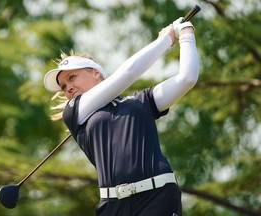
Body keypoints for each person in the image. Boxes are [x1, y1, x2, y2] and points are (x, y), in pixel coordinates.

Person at [43, 17, 199, 216]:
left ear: (95, 73)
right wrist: (166, 39)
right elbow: (127, 73)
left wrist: (185, 33)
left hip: (158, 198)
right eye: (64, 86)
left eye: (72, 77)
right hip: (113, 206)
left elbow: (187, 78)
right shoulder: (75, 111)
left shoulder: (142, 100)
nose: (68, 87)